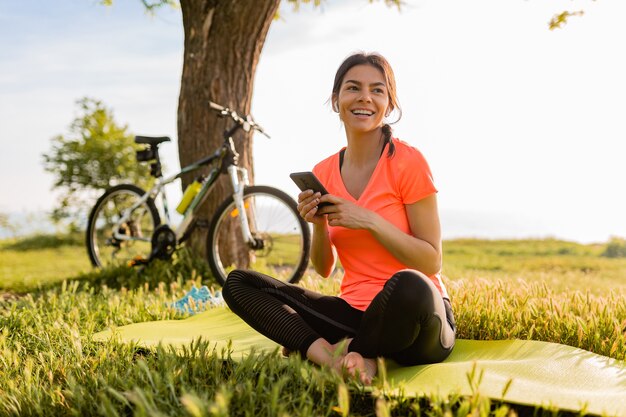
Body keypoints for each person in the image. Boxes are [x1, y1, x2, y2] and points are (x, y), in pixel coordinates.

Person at [222, 52, 456, 384]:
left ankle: (353, 353)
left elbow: (431, 261)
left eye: (377, 90)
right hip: (355, 314)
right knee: (239, 283)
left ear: (389, 105)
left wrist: (369, 220)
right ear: (336, 100)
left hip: (417, 321)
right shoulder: (324, 171)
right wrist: (318, 224)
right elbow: (324, 268)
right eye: (353, 88)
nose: (365, 97)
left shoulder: (408, 161)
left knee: (409, 283)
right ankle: (330, 357)